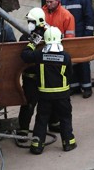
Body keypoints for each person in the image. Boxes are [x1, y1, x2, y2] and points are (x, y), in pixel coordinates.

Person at [21, 26, 76, 154]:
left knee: (41, 120)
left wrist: (32, 43)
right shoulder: (66, 56)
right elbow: (69, 74)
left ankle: (37, 145)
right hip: (62, 96)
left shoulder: (39, 54)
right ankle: (68, 143)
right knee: (65, 118)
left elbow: (25, 55)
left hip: (44, 96)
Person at [61, 0, 94, 98]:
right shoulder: (62, 1)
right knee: (71, 63)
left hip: (81, 37)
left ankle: (87, 88)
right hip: (68, 39)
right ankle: (74, 87)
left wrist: (87, 35)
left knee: (84, 63)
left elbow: (89, 18)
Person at [17, 7, 47, 141]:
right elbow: (24, 54)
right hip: (30, 78)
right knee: (28, 105)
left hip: (46, 77)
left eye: (31, 21)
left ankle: (53, 124)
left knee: (48, 104)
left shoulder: (50, 33)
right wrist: (35, 39)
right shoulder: (25, 37)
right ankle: (23, 130)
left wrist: (44, 32)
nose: (29, 24)